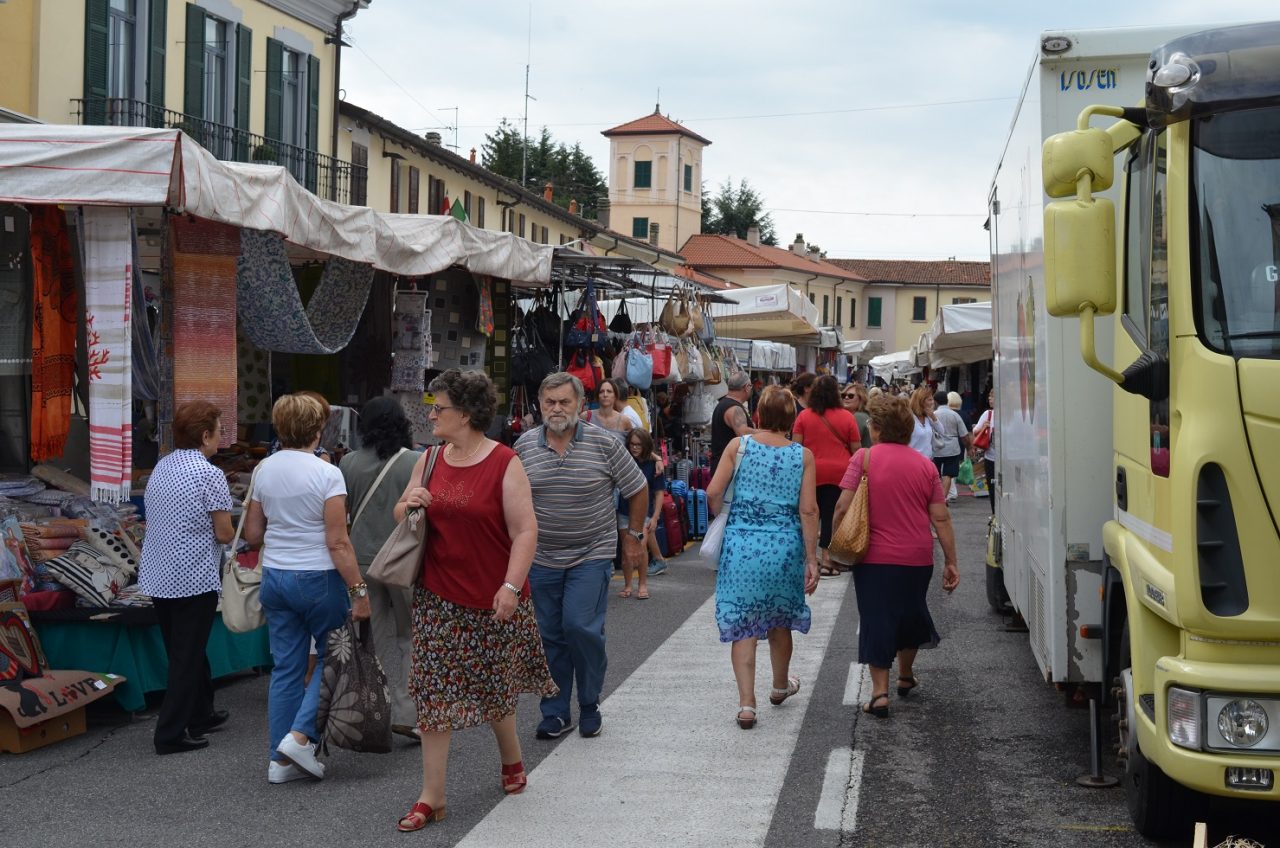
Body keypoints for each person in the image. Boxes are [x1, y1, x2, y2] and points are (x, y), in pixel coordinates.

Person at [392, 370, 553, 832]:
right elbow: (401, 512)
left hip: (493, 597)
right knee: (433, 697)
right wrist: (411, 502)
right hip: (438, 597)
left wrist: (509, 585)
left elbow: (526, 531)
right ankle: (432, 797)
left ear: (464, 414)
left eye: (438, 407)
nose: (431, 414)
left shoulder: (505, 462)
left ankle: (511, 758)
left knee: (494, 690)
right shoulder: (430, 459)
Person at [244, 392, 370, 785]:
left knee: (286, 667)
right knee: (334, 658)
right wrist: (359, 590)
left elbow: (253, 533)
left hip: (276, 576)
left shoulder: (263, 468)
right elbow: (338, 542)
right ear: (318, 429)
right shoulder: (327, 474)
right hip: (318, 577)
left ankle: (278, 760)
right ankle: (300, 738)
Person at [515, 372, 649, 740]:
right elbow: (509, 500)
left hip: (592, 552)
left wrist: (634, 538)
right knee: (549, 636)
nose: (557, 409)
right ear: (540, 405)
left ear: (579, 405)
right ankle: (556, 711)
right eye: (549, 403)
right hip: (541, 557)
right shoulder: (524, 446)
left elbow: (638, 489)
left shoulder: (605, 443)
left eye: (564, 402)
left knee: (579, 627)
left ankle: (589, 702)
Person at [831, 395, 960, 720]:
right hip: (917, 557)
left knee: (877, 617)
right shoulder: (926, 466)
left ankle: (879, 694)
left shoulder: (864, 459)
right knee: (910, 613)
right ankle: (905, 674)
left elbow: (843, 507)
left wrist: (835, 546)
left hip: (874, 558)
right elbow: (941, 517)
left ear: (875, 430)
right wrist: (951, 560)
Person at [707, 386, 820, 730]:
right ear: (791, 419)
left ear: (758, 416)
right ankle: (780, 686)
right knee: (779, 620)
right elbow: (808, 510)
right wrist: (812, 558)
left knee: (743, 622)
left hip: (741, 546)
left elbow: (713, 492)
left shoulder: (738, 446)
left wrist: (724, 516)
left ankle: (746, 705)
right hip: (784, 548)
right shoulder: (802, 456)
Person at [137, 400, 235, 755]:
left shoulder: (162, 466)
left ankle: (201, 711)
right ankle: (170, 732)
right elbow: (224, 533)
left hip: (159, 571)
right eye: (219, 432)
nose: (220, 438)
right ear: (205, 435)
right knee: (187, 654)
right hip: (193, 574)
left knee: (184, 647)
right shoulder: (209, 473)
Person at [338, 396, 421, 742]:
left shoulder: (347, 463)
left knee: (375, 638)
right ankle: (408, 712)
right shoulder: (415, 461)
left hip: (360, 562)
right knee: (411, 635)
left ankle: (377, 710)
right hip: (404, 561)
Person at [792, 375, 860, 578]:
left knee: (810, 514)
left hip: (811, 472)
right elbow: (856, 449)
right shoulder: (847, 417)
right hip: (840, 473)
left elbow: (797, 447)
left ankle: (806, 558)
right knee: (831, 516)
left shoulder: (804, 416)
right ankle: (828, 560)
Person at [617, 428, 667, 599]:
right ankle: (628, 584)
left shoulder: (654, 465)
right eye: (632, 444)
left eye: (638, 444)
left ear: (645, 445)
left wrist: (655, 517)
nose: (635, 448)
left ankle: (642, 585)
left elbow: (659, 493)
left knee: (641, 547)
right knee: (626, 549)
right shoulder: (625, 459)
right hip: (624, 512)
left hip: (645, 514)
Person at [709, 371, 756, 478]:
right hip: (727, 470)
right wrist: (765, 433)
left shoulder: (723, 404)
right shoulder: (734, 408)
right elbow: (743, 433)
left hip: (723, 467)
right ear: (747, 387)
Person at [931, 390, 970, 505]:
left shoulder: (934, 415)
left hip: (936, 448)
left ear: (936, 402)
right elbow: (964, 434)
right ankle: (943, 498)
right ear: (947, 401)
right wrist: (969, 447)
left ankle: (937, 496)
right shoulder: (955, 415)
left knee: (936, 474)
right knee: (948, 474)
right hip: (952, 448)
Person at [972, 388, 997, 514]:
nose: (989, 399)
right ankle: (995, 515)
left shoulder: (1012, 414)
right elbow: (975, 431)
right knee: (992, 489)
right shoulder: (988, 414)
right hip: (991, 458)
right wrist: (983, 427)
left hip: (1008, 459)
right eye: (989, 396)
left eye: (992, 396)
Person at [908, 386, 940, 459]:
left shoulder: (928, 417)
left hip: (929, 459)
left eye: (932, 399)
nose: (932, 402)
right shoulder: (909, 417)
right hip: (913, 460)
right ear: (921, 401)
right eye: (929, 400)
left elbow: (942, 431)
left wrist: (933, 417)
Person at [843, 383, 872, 450]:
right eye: (843, 395)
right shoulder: (865, 415)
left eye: (851, 396)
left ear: (861, 399)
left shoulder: (858, 417)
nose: (846, 397)